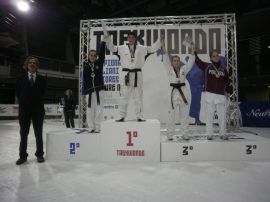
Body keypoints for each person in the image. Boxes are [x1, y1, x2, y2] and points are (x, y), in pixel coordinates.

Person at [104, 32, 162, 122]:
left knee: (138, 97)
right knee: (124, 96)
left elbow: (152, 48)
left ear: (135, 39)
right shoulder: (121, 48)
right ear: (128, 39)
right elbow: (111, 47)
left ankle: (139, 116)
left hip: (137, 74)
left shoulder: (141, 48)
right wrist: (107, 38)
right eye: (129, 37)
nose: (131, 39)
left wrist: (159, 41)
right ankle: (121, 116)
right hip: (126, 74)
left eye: (132, 37)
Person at [161, 41, 195, 141]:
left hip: (183, 92)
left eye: (177, 60)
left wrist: (193, 47)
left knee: (184, 115)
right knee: (171, 115)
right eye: (174, 60)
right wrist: (163, 45)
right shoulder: (169, 69)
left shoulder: (184, 69)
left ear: (180, 62)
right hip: (172, 93)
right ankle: (170, 134)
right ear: (172, 62)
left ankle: (185, 134)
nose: (176, 62)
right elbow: (165, 58)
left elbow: (191, 60)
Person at [15, 56, 46, 165]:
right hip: (24, 110)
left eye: (34, 63)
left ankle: (40, 154)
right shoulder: (20, 78)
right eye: (30, 62)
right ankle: (22, 156)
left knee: (38, 133)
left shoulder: (42, 79)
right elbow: (18, 93)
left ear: (37, 66)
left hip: (38, 110)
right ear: (26, 65)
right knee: (23, 134)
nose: (32, 64)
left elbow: (42, 93)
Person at [195, 50, 231, 140]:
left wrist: (227, 90)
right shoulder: (207, 66)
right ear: (210, 58)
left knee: (222, 116)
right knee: (209, 116)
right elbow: (198, 61)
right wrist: (194, 52)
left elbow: (227, 81)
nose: (216, 57)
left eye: (217, 55)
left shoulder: (223, 69)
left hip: (220, 95)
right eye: (214, 56)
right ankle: (209, 134)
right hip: (210, 94)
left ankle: (222, 134)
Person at [83, 40, 106, 132]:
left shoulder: (98, 64)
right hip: (89, 91)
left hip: (99, 90)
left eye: (94, 55)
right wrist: (84, 92)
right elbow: (84, 81)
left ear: (96, 57)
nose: (92, 57)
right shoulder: (85, 67)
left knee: (99, 109)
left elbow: (102, 54)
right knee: (90, 110)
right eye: (91, 55)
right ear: (88, 56)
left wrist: (103, 43)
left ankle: (98, 127)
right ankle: (91, 127)